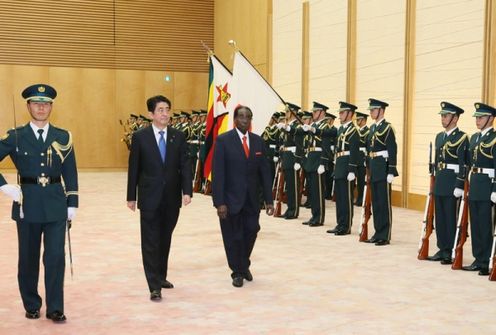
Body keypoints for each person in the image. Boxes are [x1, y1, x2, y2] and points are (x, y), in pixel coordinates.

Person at [0, 84, 78, 322]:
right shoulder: (15, 136)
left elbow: (70, 171)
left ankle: (55, 307)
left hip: (55, 204)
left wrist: (72, 202)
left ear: (51, 106)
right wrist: (3, 186)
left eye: (45, 103)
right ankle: (32, 303)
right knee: (28, 258)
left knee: (55, 257)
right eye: (36, 103)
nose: (41, 107)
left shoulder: (62, 136)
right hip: (27, 205)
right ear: (28, 106)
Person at [127, 95, 192, 301]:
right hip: (149, 197)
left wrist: (187, 190)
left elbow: (185, 166)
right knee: (150, 241)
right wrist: (131, 196)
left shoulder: (178, 136)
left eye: (167, 109)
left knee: (165, 238)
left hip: (171, 198)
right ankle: (154, 285)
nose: (165, 114)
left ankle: (161, 275)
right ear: (151, 114)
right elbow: (134, 168)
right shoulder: (140, 137)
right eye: (161, 110)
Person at [212, 105, 274, 288]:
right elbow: (218, 173)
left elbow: (265, 173)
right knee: (233, 237)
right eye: (241, 117)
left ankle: (243, 262)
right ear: (235, 119)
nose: (245, 120)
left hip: (252, 200)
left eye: (248, 117)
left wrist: (269, 200)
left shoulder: (258, 141)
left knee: (252, 229)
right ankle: (237, 271)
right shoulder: (223, 141)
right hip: (230, 200)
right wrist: (219, 202)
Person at [428, 102, 468, 264]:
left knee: (451, 218)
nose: (443, 119)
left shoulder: (462, 137)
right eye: (442, 116)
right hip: (440, 180)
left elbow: (463, 164)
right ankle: (442, 247)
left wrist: (459, 184)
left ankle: (451, 249)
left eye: (446, 116)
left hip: (452, 181)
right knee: (440, 217)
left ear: (455, 118)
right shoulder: (439, 136)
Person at [462, 103, 496, 276]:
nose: (477, 120)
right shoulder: (474, 138)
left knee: (485, 224)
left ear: (490, 118)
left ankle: (487, 260)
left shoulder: (494, 138)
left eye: (481, 117)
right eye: (476, 117)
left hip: (487, 185)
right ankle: (478, 258)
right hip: (475, 183)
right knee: (475, 223)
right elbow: (469, 163)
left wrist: (495, 189)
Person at [365, 98, 398, 246]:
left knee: (384, 203)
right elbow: (368, 149)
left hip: (383, 168)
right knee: (376, 203)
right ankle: (377, 232)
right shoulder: (372, 128)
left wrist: (391, 170)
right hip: (373, 167)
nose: (371, 112)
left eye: (373, 109)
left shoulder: (387, 128)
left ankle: (385, 235)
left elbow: (392, 150)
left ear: (381, 111)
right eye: (371, 110)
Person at [327, 102, 359, 235]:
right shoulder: (340, 129)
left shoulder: (353, 131)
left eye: (342, 113)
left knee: (346, 198)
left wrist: (352, 170)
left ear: (350, 114)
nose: (339, 115)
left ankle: (346, 226)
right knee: (339, 197)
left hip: (347, 166)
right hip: (339, 164)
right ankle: (340, 223)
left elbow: (354, 151)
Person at [301, 102, 332, 226]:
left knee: (318, 191)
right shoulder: (313, 125)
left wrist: (323, 162)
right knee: (312, 191)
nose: (313, 113)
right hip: (311, 159)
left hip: (319, 159)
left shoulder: (326, 127)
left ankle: (319, 218)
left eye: (315, 111)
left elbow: (326, 145)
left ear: (322, 112)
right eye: (313, 111)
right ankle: (314, 215)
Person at [355, 112, 369, 205]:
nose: (357, 122)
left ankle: (362, 199)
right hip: (356, 158)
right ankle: (358, 198)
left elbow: (367, 146)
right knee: (356, 181)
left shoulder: (367, 131)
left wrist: (366, 160)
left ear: (363, 120)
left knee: (361, 180)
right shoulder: (357, 131)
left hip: (362, 159)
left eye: (358, 120)